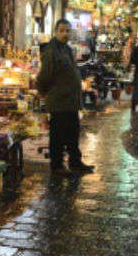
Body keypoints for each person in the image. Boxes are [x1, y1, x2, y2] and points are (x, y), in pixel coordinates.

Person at [36, 19, 95, 177]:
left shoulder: (67, 49)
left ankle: (75, 162)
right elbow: (44, 76)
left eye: (67, 31)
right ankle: (57, 165)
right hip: (59, 101)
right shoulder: (51, 51)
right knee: (58, 135)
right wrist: (44, 94)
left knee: (72, 133)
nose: (65, 34)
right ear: (56, 31)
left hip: (71, 101)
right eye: (62, 30)